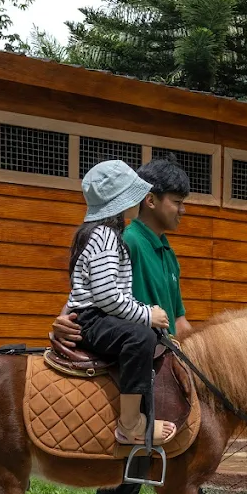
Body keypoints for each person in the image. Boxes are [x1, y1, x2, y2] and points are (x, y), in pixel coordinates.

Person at [54, 155, 247, 494]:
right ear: (149, 201)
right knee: (173, 458)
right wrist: (67, 318)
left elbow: (182, 325)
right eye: (177, 201)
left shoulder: (164, 250)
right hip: (144, 359)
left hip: (161, 356)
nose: (182, 209)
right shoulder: (126, 240)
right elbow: (104, 299)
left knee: (141, 468)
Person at [65, 159, 177, 446]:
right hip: (93, 318)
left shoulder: (100, 235)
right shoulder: (105, 237)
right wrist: (146, 315)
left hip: (96, 315)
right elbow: (107, 297)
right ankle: (130, 424)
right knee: (139, 336)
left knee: (147, 336)